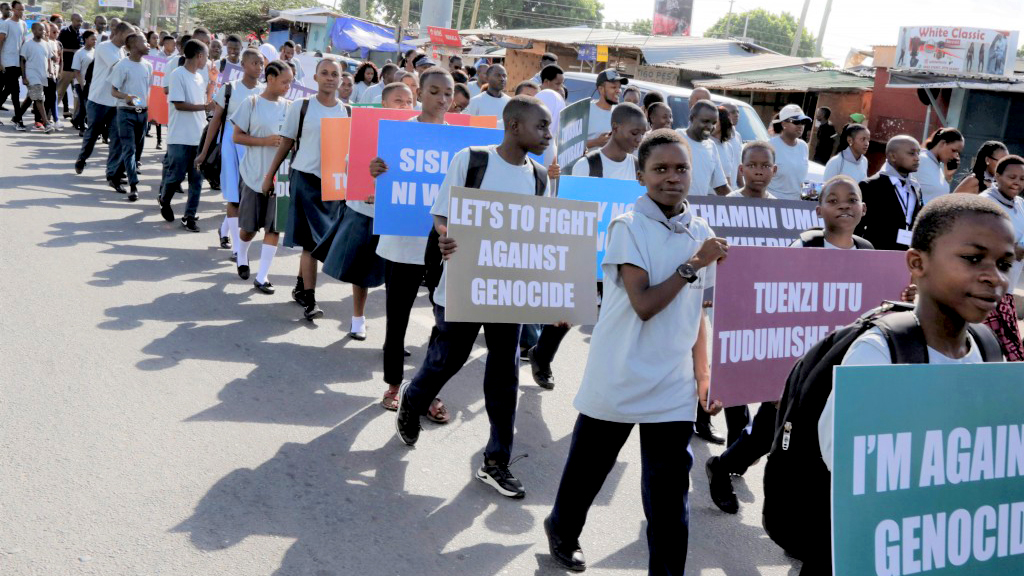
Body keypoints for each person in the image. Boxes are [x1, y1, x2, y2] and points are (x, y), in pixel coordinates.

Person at [543, 128, 728, 574]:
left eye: (681, 168)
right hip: (620, 373)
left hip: (673, 385)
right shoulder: (627, 227)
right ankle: (562, 528)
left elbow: (697, 314)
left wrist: (704, 377)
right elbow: (644, 304)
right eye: (660, 169)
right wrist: (695, 262)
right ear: (641, 176)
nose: (672, 177)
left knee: (668, 497)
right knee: (589, 470)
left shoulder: (701, 231)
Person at [395, 96, 553, 499]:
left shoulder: (539, 177)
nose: (548, 135)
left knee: (504, 372)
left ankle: (497, 460)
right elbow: (441, 213)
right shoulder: (472, 160)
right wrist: (445, 235)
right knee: (449, 358)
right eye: (541, 126)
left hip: (509, 289)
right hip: (464, 282)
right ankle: (414, 398)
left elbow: (540, 236)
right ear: (514, 126)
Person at [707, 174, 876, 515]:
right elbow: (775, 308)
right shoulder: (805, 247)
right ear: (818, 211)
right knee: (766, 434)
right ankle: (722, 467)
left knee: (816, 440)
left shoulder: (869, 253)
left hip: (839, 365)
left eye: (851, 199)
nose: (843, 205)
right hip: (796, 365)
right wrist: (773, 378)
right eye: (833, 200)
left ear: (863, 208)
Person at [819, 193, 1015, 470]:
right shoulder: (879, 353)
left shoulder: (987, 348)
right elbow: (848, 466)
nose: (995, 277)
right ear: (917, 263)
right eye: (972, 258)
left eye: (1004, 264)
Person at [369, 69, 454, 422]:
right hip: (402, 242)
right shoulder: (398, 134)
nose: (442, 98)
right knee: (397, 317)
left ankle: (426, 389)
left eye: (448, 92)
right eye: (434, 91)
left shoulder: (462, 143)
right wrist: (375, 171)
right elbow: (375, 183)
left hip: (442, 247)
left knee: (442, 323)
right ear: (420, 93)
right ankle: (393, 384)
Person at [314, 82, 410, 338]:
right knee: (362, 271)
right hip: (366, 211)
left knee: (398, 277)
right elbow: (351, 166)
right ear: (384, 103)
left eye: (409, 101)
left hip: (399, 215)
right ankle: (358, 318)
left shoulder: (417, 132)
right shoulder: (368, 129)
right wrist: (368, 182)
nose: (405, 106)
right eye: (399, 101)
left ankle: (394, 337)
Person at [263, 58, 347, 321]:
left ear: (341, 79)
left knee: (322, 242)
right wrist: (270, 176)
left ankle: (301, 286)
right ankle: (310, 300)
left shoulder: (347, 112)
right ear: (315, 78)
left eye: (334, 74)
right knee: (310, 243)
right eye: (325, 73)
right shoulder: (301, 107)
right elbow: (286, 143)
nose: (330, 78)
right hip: (305, 180)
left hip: (333, 186)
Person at [229, 59, 293, 293]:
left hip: (280, 177)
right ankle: (242, 255)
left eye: (290, 82)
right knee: (249, 228)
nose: (288, 86)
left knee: (274, 228)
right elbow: (237, 136)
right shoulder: (252, 103)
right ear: (271, 78)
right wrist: (264, 141)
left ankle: (262, 275)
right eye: (284, 82)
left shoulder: (290, 107)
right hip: (253, 174)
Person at [196, 47, 265, 258]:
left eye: (261, 63)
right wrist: (204, 152)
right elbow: (216, 121)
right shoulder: (230, 89)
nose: (259, 67)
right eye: (255, 63)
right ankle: (237, 248)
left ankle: (224, 229)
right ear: (243, 65)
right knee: (234, 198)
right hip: (231, 145)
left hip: (254, 146)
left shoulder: (264, 91)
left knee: (247, 197)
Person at [158, 39, 213, 232]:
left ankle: (189, 217)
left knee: (197, 181)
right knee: (176, 176)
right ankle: (165, 199)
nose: (207, 61)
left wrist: (207, 108)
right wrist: (205, 107)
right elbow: (179, 104)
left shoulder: (199, 77)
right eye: (206, 56)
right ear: (199, 56)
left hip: (198, 137)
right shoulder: (178, 74)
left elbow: (203, 105)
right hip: (180, 137)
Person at [978, 155, 1024, 361]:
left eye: (1022, 179)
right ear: (997, 176)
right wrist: (1011, 250)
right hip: (985, 290)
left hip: (1007, 290)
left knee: (1007, 356)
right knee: (993, 354)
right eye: (1012, 177)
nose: (1017, 183)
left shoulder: (1020, 204)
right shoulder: (985, 203)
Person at [75, 21, 129, 177]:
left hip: (116, 102)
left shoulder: (122, 51)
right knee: (92, 133)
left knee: (116, 137)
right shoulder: (104, 47)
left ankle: (112, 172)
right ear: (120, 34)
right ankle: (82, 158)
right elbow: (118, 67)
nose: (131, 39)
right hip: (98, 100)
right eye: (129, 35)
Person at [855, 135, 923, 251]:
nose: (917, 158)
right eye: (911, 153)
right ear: (893, 156)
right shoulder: (870, 186)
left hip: (905, 255)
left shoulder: (915, 187)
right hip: (877, 254)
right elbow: (857, 227)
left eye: (918, 153)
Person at [108, 32, 153, 201]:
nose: (148, 44)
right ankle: (133, 186)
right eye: (144, 41)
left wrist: (143, 105)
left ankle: (114, 176)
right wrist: (126, 97)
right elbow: (113, 91)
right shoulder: (122, 65)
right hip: (125, 113)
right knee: (129, 149)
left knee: (135, 150)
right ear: (133, 45)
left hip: (142, 112)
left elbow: (144, 92)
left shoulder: (148, 65)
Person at [677, 100, 730, 197]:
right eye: (705, 121)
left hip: (698, 206)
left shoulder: (711, 146)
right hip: (674, 205)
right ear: (692, 118)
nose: (710, 127)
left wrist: (740, 202)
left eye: (714, 123)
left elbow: (721, 187)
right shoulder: (675, 139)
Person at [767, 104, 811, 201]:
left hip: (795, 204)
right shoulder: (769, 146)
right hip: (773, 202)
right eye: (796, 122)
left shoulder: (803, 146)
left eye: (803, 122)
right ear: (783, 124)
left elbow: (801, 180)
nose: (800, 126)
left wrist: (809, 201)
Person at [18, 22, 53, 132]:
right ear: (33, 31)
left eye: (43, 30)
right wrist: (24, 77)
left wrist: (50, 71)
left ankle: (16, 118)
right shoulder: (28, 44)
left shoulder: (46, 44)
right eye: (40, 29)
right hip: (32, 75)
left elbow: (48, 59)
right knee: (39, 98)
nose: (43, 32)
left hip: (42, 76)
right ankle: (46, 123)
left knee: (31, 98)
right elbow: (22, 60)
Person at [917, 127, 964, 204]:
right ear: (942, 143)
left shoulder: (939, 165)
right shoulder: (920, 159)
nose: (955, 156)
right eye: (953, 150)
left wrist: (948, 176)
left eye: (958, 153)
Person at [0, 1, 29, 126]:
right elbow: (0, 42)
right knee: (15, 90)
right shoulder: (6, 24)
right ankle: (18, 119)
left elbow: (23, 43)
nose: (21, 12)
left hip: (17, 62)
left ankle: (17, 118)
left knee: (8, 90)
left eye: (22, 9)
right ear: (13, 9)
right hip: (7, 62)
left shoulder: (23, 24)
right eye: (18, 9)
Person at [586, 69, 625, 149]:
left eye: (619, 87)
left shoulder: (620, 113)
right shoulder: (586, 111)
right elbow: (571, 145)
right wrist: (596, 142)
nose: (618, 91)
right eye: (614, 87)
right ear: (601, 89)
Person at [465, 63, 510, 128]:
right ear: (487, 78)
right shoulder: (475, 101)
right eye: (498, 75)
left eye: (504, 76)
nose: (502, 79)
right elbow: (467, 126)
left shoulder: (510, 103)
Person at [56, 12, 82, 121]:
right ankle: (48, 116)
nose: (80, 23)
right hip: (66, 68)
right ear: (72, 20)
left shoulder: (80, 33)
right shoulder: (64, 32)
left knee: (77, 96)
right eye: (77, 21)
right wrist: (72, 51)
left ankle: (76, 119)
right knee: (59, 94)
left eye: (81, 21)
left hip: (77, 70)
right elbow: (58, 48)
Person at [69, 29, 94, 134]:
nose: (94, 41)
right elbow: (76, 71)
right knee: (84, 105)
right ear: (86, 39)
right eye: (92, 39)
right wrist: (82, 84)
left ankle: (76, 120)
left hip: (92, 84)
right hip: (80, 83)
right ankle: (82, 128)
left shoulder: (96, 52)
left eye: (95, 39)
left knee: (88, 105)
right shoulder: (79, 53)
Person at [712, 105, 740, 189]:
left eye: (714, 121)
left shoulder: (728, 146)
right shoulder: (705, 144)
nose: (710, 124)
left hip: (723, 194)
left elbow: (728, 177)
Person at [720, 102, 743, 187]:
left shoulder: (737, 136)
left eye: (737, 112)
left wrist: (742, 187)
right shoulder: (714, 137)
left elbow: (738, 164)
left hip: (732, 189)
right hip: (715, 191)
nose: (736, 115)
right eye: (733, 112)